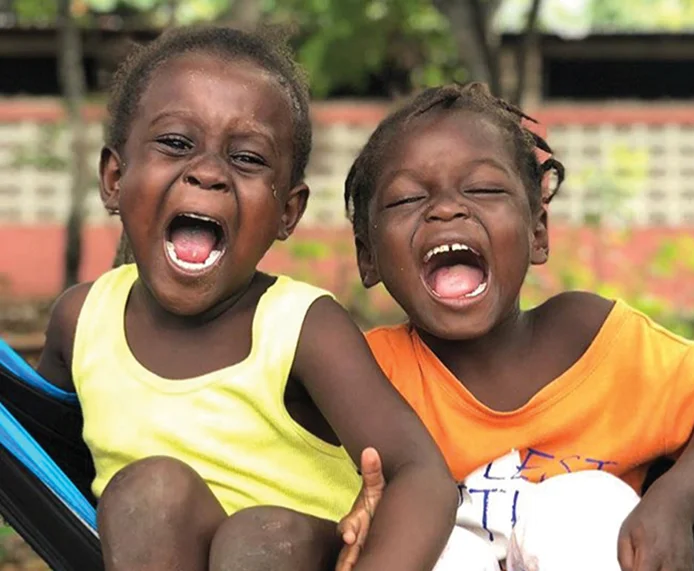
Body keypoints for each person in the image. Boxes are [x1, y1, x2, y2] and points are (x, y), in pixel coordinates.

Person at [35, 25, 458, 571]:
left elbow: (420, 475)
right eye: (176, 143)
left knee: (257, 537)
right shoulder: (82, 321)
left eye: (248, 158)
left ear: (288, 212)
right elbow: (41, 470)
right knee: (151, 494)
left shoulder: (302, 328)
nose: (208, 173)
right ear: (115, 178)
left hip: (293, 554)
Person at [337, 82, 694, 571]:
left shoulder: (594, 341)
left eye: (483, 189)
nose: (446, 209)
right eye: (406, 199)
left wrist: (671, 504)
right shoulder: (363, 374)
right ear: (367, 256)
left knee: (585, 502)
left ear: (538, 233)